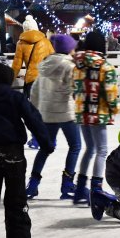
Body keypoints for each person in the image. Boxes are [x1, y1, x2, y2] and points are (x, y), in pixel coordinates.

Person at [0, 63, 53, 238]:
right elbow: (33, 119)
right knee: (16, 202)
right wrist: (46, 143)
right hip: (13, 155)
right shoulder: (15, 97)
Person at [27, 35, 82, 200]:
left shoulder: (44, 66)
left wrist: (36, 112)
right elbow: (75, 90)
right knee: (75, 146)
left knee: (45, 149)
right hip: (66, 113)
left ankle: (32, 184)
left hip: (47, 114)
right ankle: (67, 184)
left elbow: (35, 91)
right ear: (69, 49)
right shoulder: (69, 66)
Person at [73, 31, 120, 205]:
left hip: (82, 112)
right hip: (98, 113)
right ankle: (96, 189)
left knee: (90, 149)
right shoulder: (105, 67)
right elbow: (110, 93)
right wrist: (115, 109)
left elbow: (74, 89)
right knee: (101, 150)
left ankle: (80, 188)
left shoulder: (77, 65)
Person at [11, 15, 55, 149]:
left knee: (33, 112)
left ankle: (36, 139)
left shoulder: (21, 43)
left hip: (31, 81)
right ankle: (48, 138)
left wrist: (9, 79)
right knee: (45, 111)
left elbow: (17, 64)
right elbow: (52, 60)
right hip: (45, 80)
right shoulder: (45, 41)